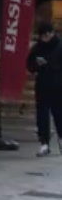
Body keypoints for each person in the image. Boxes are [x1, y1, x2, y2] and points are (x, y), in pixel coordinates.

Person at [26, 22, 62, 156]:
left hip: (58, 86)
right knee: (42, 115)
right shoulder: (37, 47)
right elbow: (29, 64)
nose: (45, 38)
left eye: (47, 35)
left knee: (59, 114)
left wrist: (50, 64)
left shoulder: (59, 46)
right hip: (42, 85)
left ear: (52, 33)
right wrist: (36, 64)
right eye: (43, 36)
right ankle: (44, 143)